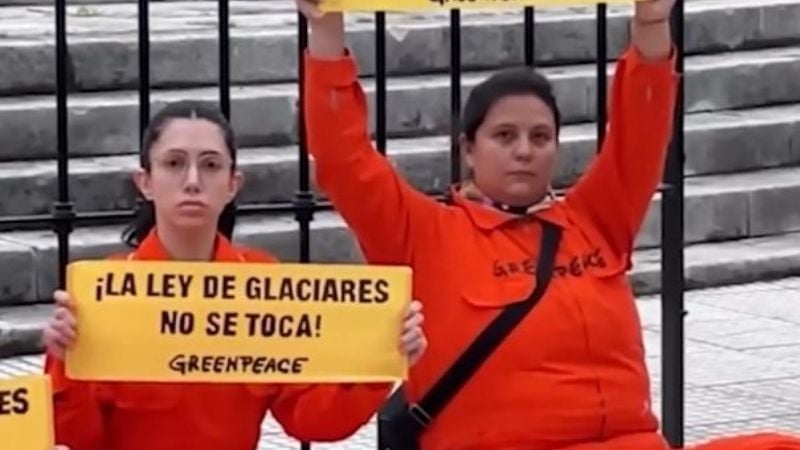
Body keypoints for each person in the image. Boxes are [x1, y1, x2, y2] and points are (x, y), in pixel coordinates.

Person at [296, 0, 800, 449]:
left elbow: (642, 130)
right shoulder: (423, 234)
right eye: (505, 135)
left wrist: (650, 21)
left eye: (541, 136)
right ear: (467, 150)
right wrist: (326, 28)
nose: (524, 150)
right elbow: (344, 159)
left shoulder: (595, 217)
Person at [41, 100, 427, 450]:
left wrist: (379, 359)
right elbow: (75, 433)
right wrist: (64, 358)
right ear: (145, 182)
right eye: (174, 163)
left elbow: (312, 419)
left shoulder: (262, 283)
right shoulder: (101, 295)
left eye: (210, 165)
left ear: (232, 184)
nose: (192, 180)